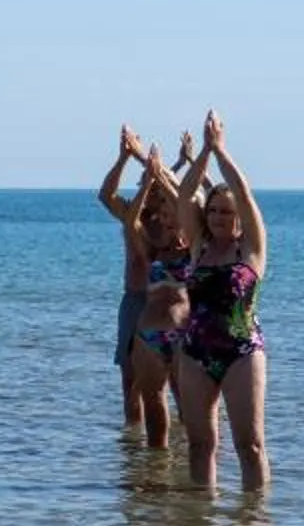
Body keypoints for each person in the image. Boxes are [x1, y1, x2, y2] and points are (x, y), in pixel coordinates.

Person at [173, 111, 269, 489]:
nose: (217, 217)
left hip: (242, 351)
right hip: (195, 352)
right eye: (212, 210)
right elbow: (184, 195)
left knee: (251, 446)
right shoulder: (198, 247)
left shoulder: (251, 251)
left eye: (226, 212)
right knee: (200, 445)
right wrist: (203, 155)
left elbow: (243, 195)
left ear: (239, 219)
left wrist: (221, 152)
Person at [97, 127, 193, 450]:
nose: (150, 191)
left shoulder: (175, 223)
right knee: (130, 378)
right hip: (136, 301)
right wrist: (126, 158)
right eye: (146, 185)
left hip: (172, 308)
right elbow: (105, 195)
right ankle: (133, 439)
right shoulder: (134, 216)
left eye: (155, 188)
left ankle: (183, 435)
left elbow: (181, 195)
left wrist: (172, 165)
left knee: (179, 384)